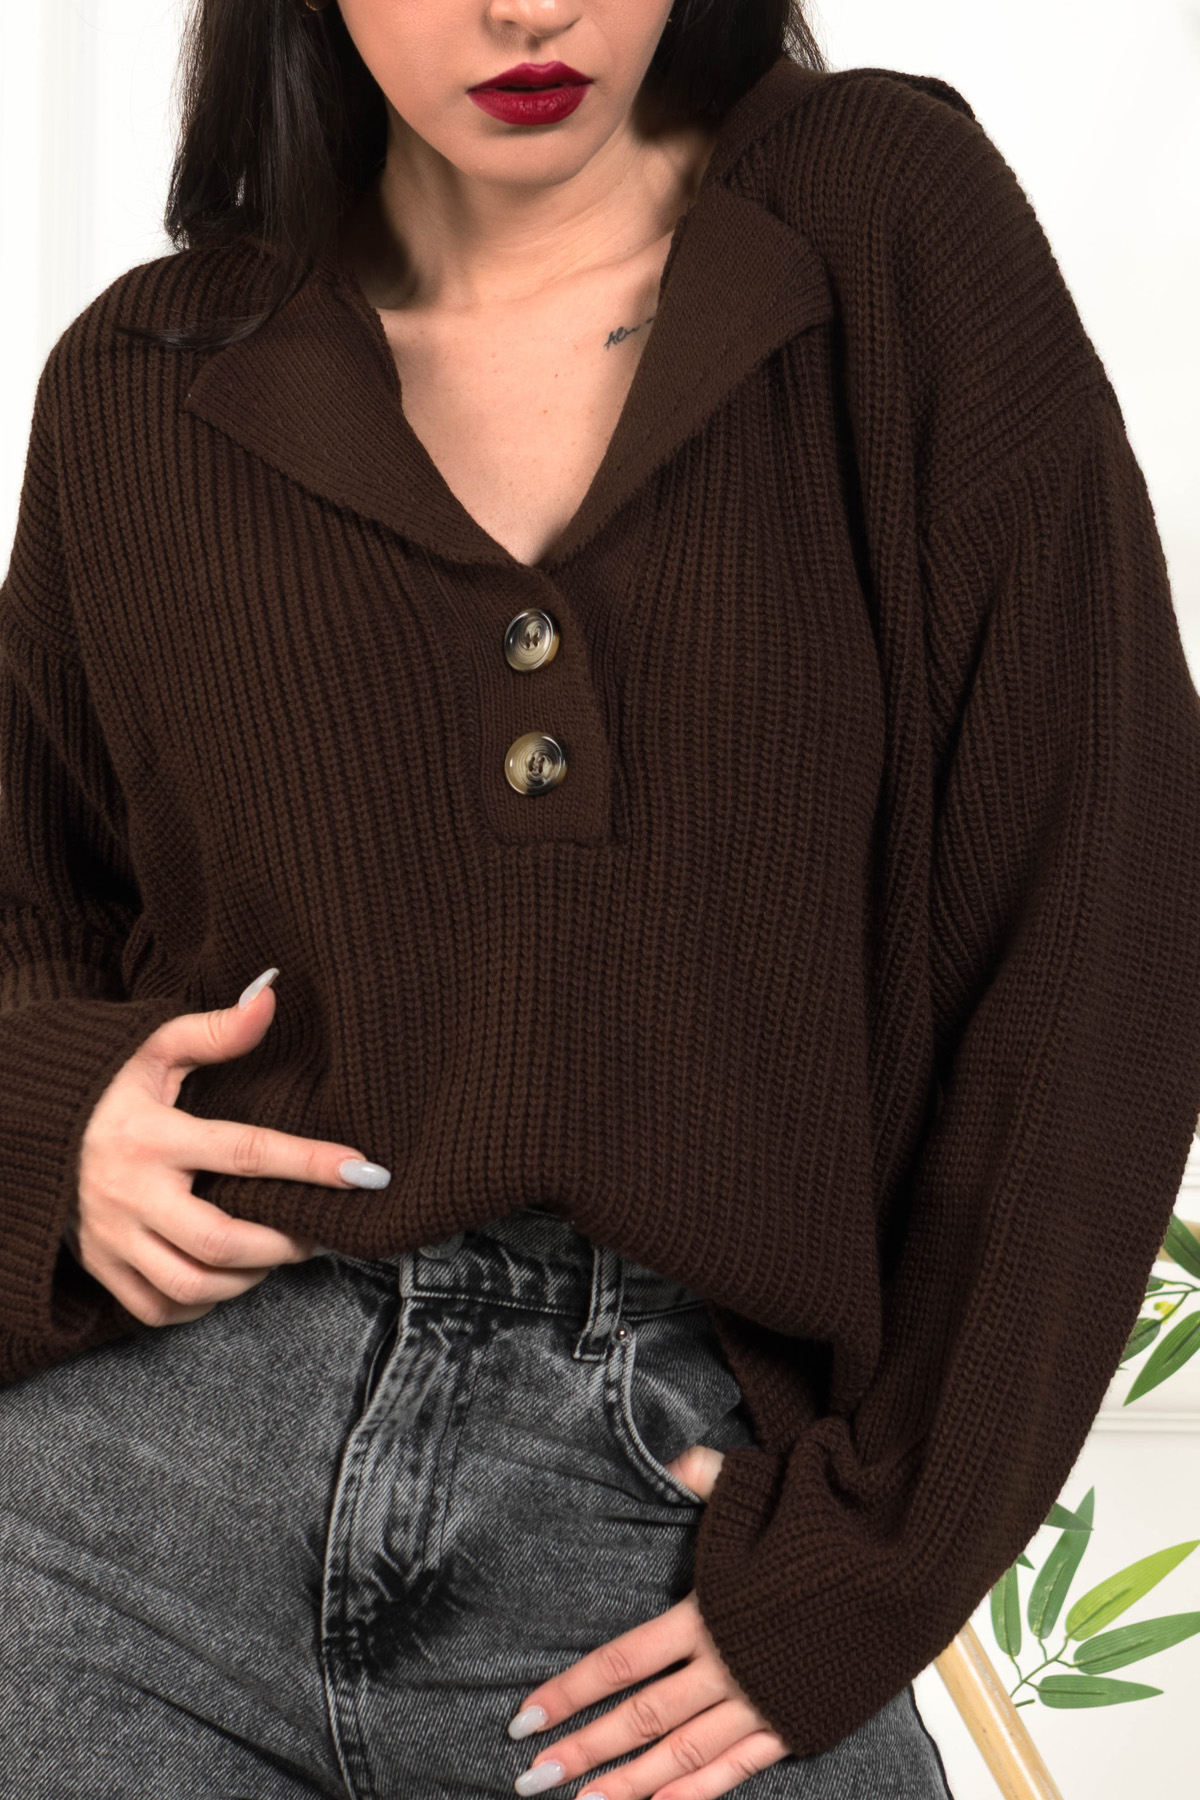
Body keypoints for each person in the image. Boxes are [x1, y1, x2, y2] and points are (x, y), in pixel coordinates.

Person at [2, 0, 1199, 1795]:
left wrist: (880, 1556)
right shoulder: (140, 376)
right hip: (128, 1533)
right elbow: (33, 910)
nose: (527, 8)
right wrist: (53, 1137)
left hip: (668, 1528)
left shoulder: (877, 221)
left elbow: (1102, 911)